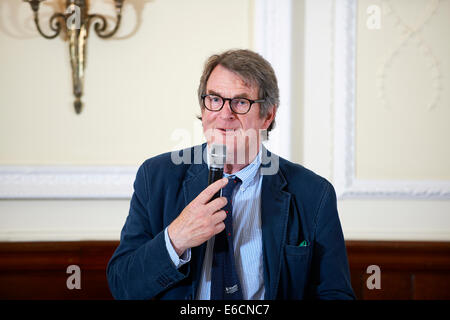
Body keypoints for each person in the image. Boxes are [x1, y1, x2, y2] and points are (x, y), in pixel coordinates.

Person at [107, 49, 355, 300]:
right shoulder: (156, 177)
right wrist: (176, 239)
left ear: (267, 116)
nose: (225, 114)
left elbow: (336, 294)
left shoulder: (313, 193)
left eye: (240, 102)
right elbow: (122, 286)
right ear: (203, 109)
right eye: (215, 99)